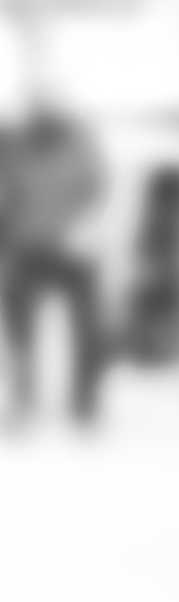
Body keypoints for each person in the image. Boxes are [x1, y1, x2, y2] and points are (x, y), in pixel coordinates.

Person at [0, 108, 108, 427]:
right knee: (19, 324)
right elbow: (8, 199)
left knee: (89, 324)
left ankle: (84, 402)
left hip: (72, 249)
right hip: (27, 248)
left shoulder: (78, 146)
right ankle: (23, 396)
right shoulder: (15, 147)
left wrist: (82, 228)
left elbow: (96, 190)